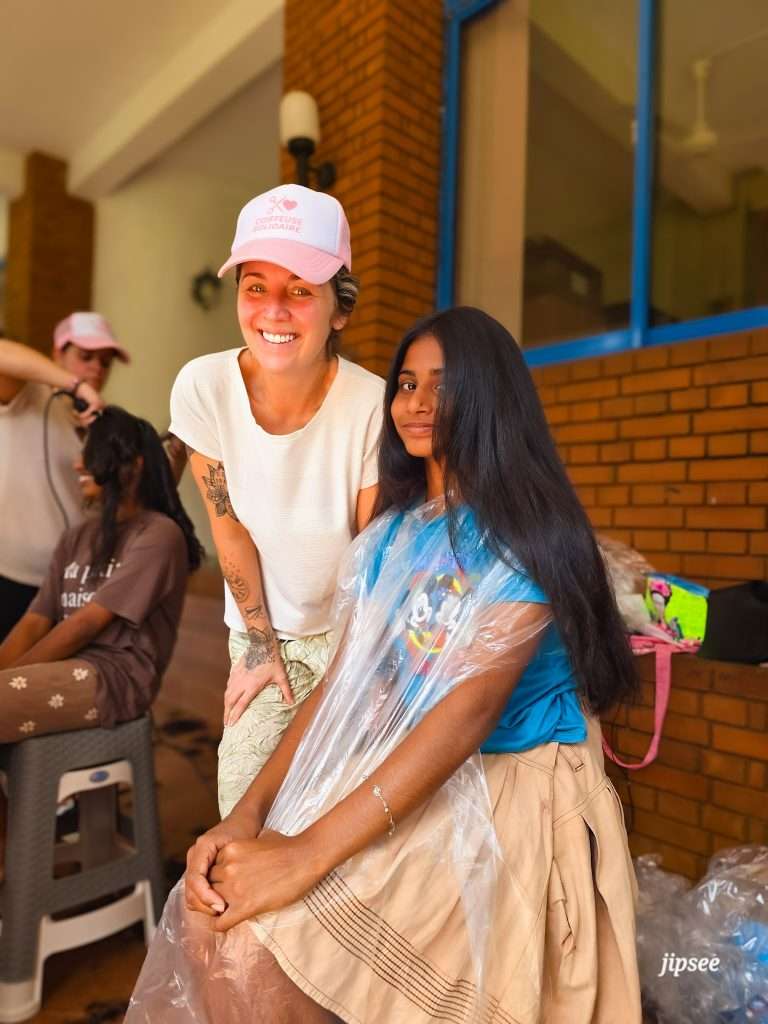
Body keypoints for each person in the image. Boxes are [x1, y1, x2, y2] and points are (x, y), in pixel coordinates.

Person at [127, 308, 642, 1023]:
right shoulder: (392, 537)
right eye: (405, 383)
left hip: (505, 790)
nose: (418, 403)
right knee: (213, 919)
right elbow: (341, 684)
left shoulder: (526, 539)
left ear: (493, 398)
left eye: (445, 384)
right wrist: (247, 817)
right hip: (408, 771)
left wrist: (303, 855)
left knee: (259, 949)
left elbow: (464, 716)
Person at [169, 183, 385, 817]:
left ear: (338, 308)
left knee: (344, 822)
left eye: (300, 290)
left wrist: (361, 672)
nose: (273, 311)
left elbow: (371, 555)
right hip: (265, 634)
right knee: (245, 813)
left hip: (353, 638)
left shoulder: (371, 405)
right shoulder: (203, 387)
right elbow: (228, 526)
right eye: (255, 286)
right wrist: (260, 645)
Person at [0, 405, 202, 740]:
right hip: (67, 666)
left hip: (114, 678)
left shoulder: (158, 535)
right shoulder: (76, 537)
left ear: (131, 466)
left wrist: (11, 680)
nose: (79, 462)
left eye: (91, 452)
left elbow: (86, 623)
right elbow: (34, 621)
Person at [0, 312, 128, 640]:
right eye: (85, 357)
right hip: (12, 577)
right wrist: (74, 384)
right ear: (57, 354)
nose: (96, 369)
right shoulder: (28, 395)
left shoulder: (105, 421)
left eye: (104, 362)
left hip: (75, 584)